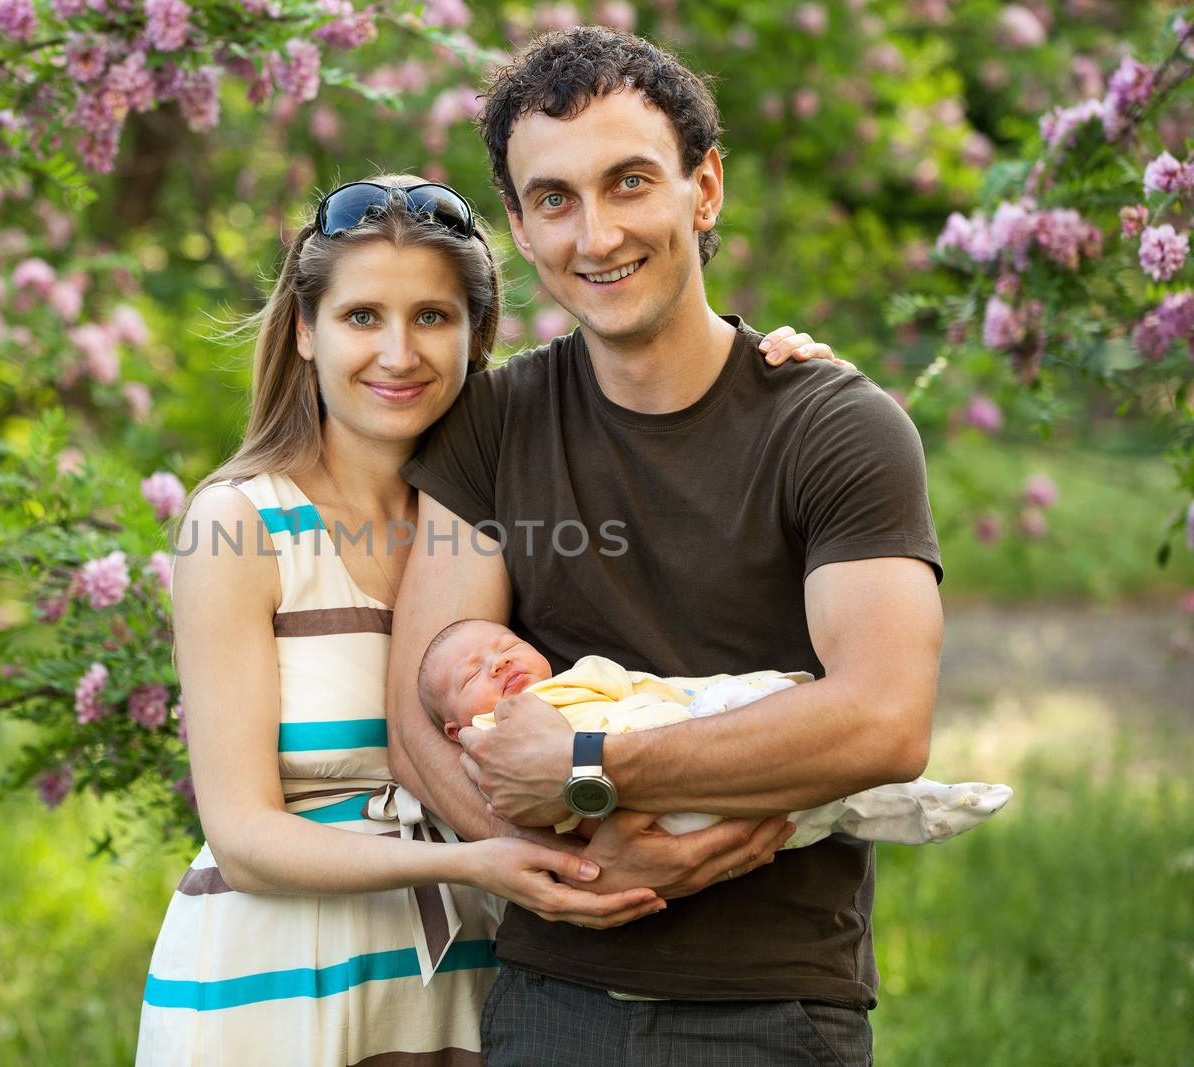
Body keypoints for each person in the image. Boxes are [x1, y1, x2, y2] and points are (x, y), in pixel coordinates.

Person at [135, 173, 843, 1066]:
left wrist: (774, 380)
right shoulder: (241, 524)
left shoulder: (510, 494)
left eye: (432, 317)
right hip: (285, 988)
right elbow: (244, 839)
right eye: (361, 317)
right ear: (304, 330)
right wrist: (464, 862)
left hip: (468, 982)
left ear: (476, 337)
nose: (399, 353)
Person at [386, 27, 947, 1067]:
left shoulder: (837, 426)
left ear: (705, 187)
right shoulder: (491, 424)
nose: (595, 235)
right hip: (546, 1001)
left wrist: (594, 765)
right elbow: (416, 714)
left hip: (771, 1011)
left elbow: (882, 718)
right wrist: (578, 866)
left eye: (629, 182)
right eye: (553, 198)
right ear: (516, 223)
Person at [418, 618, 1009, 846]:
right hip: (644, 823)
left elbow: (672, 687)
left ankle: (907, 806)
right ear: (455, 726)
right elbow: (524, 804)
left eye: (506, 647)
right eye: (473, 673)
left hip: (685, 742)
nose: (496, 663)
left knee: (799, 795)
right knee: (789, 813)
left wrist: (737, 693)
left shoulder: (585, 677)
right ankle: (895, 807)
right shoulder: (488, 741)